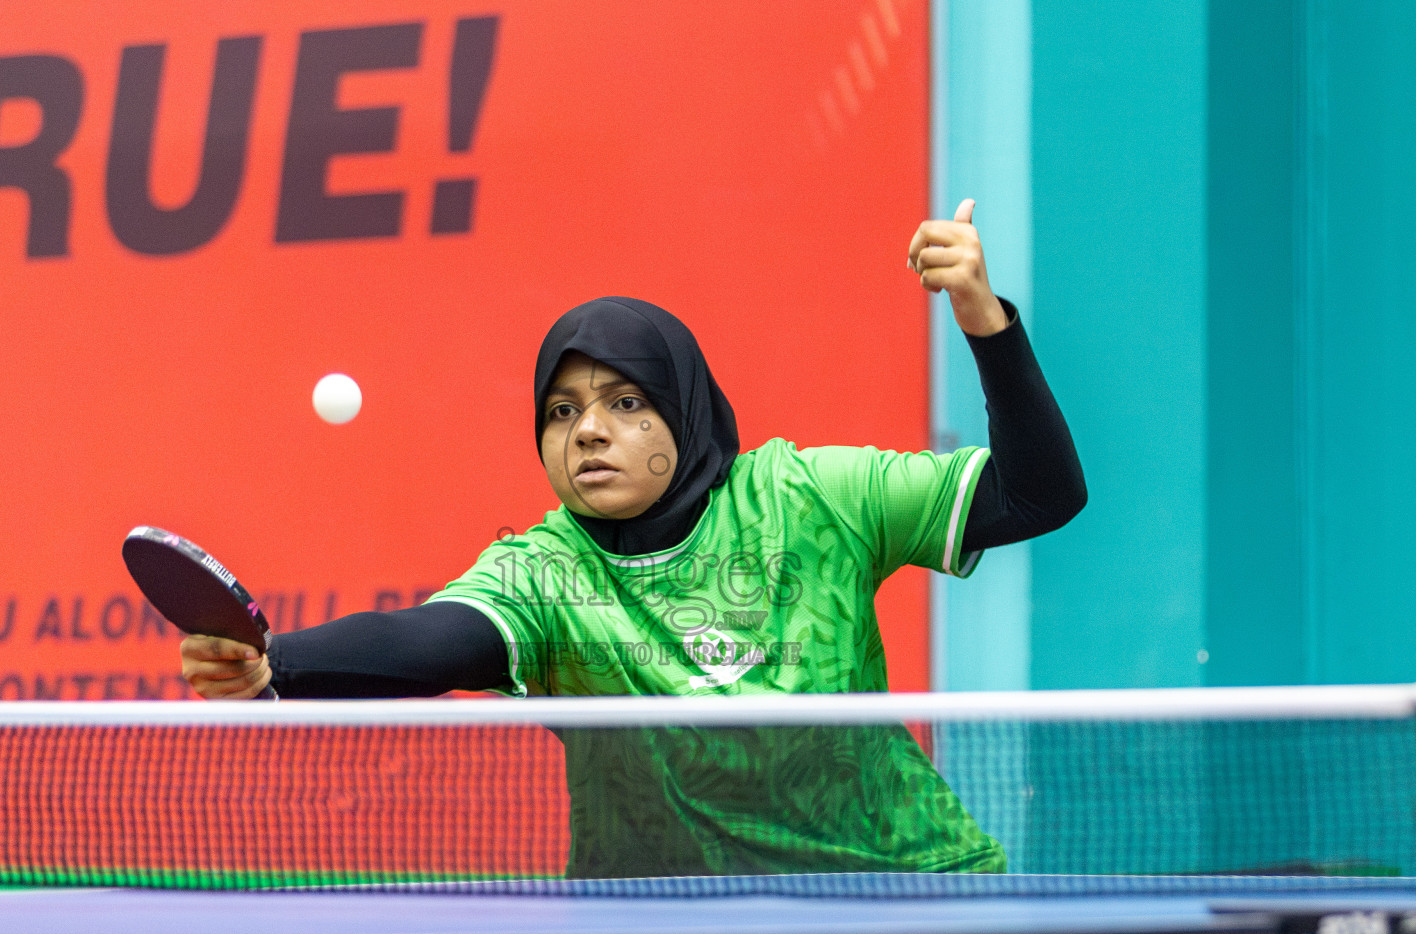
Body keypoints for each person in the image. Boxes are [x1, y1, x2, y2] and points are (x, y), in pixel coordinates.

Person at [182, 200, 1086, 877]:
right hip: (666, 930)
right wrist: (276, 667)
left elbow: (1037, 495)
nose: (587, 431)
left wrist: (983, 319)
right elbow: (433, 639)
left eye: (624, 404)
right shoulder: (547, 574)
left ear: (681, 411)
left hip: (905, 899)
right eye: (562, 411)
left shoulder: (811, 495)